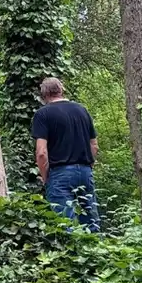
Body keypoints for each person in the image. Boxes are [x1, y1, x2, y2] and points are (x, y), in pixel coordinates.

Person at [32, 77, 101, 232]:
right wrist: (88, 166)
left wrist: (45, 178)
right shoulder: (82, 110)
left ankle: (70, 255)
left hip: (60, 173)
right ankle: (96, 252)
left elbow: (41, 152)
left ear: (43, 95)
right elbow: (94, 145)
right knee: (91, 222)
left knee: (64, 225)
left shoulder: (43, 114)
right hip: (85, 170)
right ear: (61, 90)